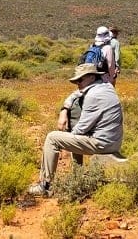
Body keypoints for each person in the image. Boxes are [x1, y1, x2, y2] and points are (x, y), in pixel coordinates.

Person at [28, 63, 124, 196]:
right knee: (73, 131)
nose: (77, 83)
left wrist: (66, 138)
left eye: (80, 80)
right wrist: (65, 109)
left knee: (52, 138)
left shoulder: (92, 96)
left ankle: (46, 186)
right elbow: (76, 94)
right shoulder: (106, 86)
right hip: (114, 142)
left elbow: (81, 129)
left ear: (91, 77)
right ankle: (77, 175)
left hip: (101, 144)